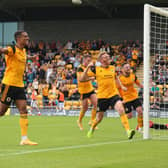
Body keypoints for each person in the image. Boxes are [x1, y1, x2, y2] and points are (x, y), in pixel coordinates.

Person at [81, 51, 135, 139]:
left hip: (113, 95)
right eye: (106, 57)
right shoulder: (96, 69)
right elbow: (82, 79)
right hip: (102, 97)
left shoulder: (112, 68)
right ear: (101, 60)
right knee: (99, 118)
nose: (108, 58)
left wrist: (121, 86)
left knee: (121, 109)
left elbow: (116, 77)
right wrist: (87, 67)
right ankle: (92, 128)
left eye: (108, 56)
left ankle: (128, 131)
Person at [0, 31, 38, 145]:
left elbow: (24, 58)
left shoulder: (23, 51)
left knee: (23, 110)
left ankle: (24, 139)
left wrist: (32, 57)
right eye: (25, 37)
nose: (28, 38)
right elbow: (4, 51)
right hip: (9, 84)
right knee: (1, 112)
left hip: (19, 85)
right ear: (18, 38)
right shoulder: (12, 49)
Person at [119, 62, 143, 133]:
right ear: (122, 70)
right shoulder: (120, 78)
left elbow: (138, 83)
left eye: (129, 67)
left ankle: (139, 128)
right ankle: (124, 120)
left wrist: (144, 87)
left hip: (134, 96)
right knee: (129, 116)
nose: (128, 68)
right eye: (126, 67)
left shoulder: (133, 75)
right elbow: (117, 89)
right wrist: (121, 98)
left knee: (140, 111)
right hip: (126, 99)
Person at [77, 54, 97, 130]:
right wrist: (90, 78)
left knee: (96, 103)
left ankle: (92, 121)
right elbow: (81, 79)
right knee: (85, 108)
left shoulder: (89, 68)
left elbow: (94, 75)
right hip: (83, 91)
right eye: (88, 61)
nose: (89, 62)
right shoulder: (80, 68)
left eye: (90, 60)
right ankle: (79, 121)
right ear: (84, 60)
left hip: (90, 89)